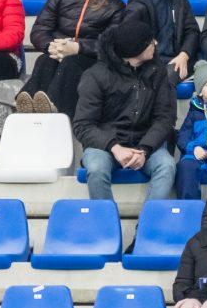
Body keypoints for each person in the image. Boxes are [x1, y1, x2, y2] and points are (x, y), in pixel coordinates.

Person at [74, 18, 178, 203]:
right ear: (135, 48)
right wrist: (115, 147)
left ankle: (149, 221)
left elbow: (165, 117)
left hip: (145, 143)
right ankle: (106, 221)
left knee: (167, 166)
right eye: (150, 41)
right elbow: (83, 125)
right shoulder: (95, 75)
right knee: (96, 169)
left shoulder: (158, 71)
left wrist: (144, 149)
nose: (155, 43)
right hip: (105, 145)